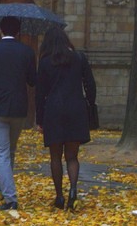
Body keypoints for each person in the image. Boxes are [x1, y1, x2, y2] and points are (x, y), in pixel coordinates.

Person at [0, 14, 37, 211]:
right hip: (19, 108)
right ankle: (1, 190)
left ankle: (10, 198)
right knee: (9, 152)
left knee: (2, 154)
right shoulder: (27, 52)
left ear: (0, 30)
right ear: (18, 31)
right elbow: (32, 80)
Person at [35, 27, 97, 209]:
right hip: (76, 108)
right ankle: (73, 190)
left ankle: (59, 196)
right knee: (72, 157)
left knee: (55, 156)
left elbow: (40, 93)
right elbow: (90, 84)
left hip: (53, 110)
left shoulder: (45, 62)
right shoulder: (79, 58)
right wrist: (89, 104)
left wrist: (40, 119)